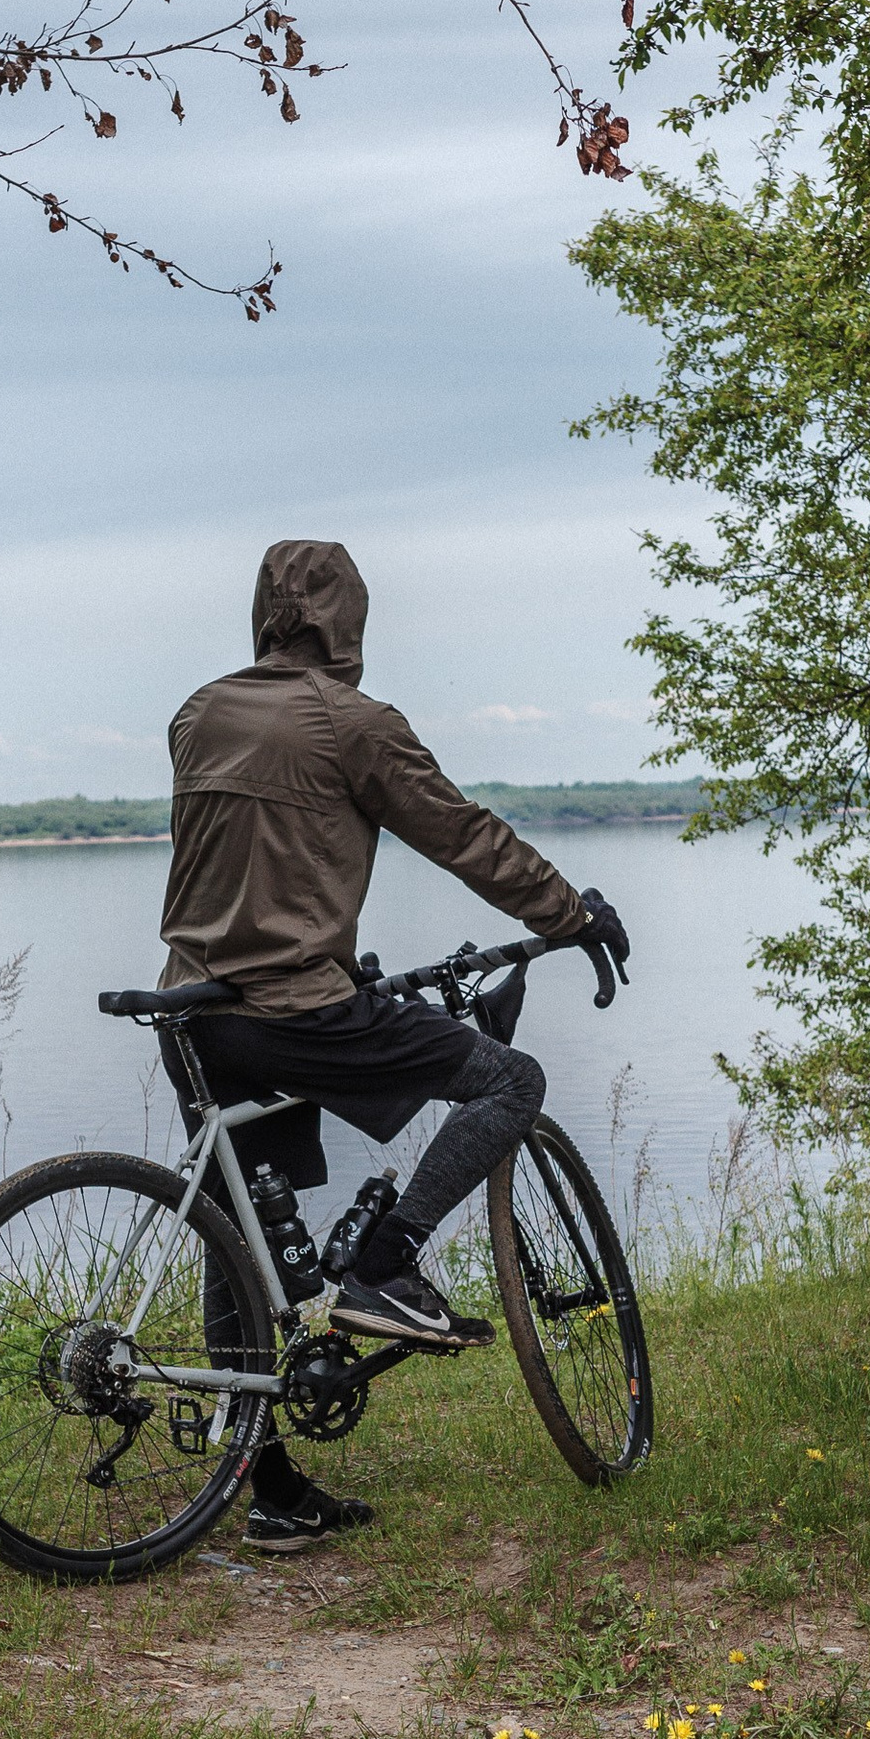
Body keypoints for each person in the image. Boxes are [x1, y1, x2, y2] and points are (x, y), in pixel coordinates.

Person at [160, 539, 631, 1555]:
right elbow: (459, 833)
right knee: (510, 1081)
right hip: (295, 1009)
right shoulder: (354, 723)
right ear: (348, 624)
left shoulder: (198, 714)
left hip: (197, 1009)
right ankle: (387, 1258)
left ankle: (267, 1483)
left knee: (238, 1242)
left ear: (262, 615)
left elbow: (260, 856)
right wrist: (569, 914)